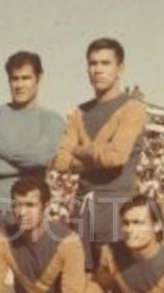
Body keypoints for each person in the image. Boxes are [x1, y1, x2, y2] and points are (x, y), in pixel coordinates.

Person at [0, 51, 64, 287]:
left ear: (39, 78)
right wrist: (23, 167)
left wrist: (1, 149)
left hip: (30, 210)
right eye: (14, 79)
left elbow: (42, 157)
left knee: (30, 288)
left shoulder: (52, 120)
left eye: (26, 78)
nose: (19, 85)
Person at [52, 37, 147, 271]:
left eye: (106, 63)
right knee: (80, 281)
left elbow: (116, 157)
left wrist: (79, 150)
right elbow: (60, 161)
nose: (98, 70)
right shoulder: (79, 112)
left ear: (120, 69)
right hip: (82, 205)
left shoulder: (133, 108)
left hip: (118, 205)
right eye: (93, 63)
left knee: (117, 282)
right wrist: (97, 157)